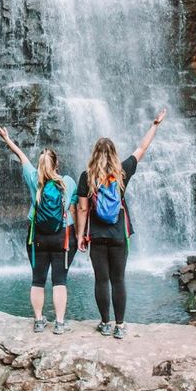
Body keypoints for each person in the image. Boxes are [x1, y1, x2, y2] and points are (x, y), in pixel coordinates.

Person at [76, 110, 166, 339]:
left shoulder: (87, 176)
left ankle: (105, 323)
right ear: (114, 153)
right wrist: (154, 125)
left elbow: (83, 208)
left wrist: (79, 236)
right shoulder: (123, 171)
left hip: (96, 235)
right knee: (118, 279)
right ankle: (120, 325)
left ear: (94, 154)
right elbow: (142, 148)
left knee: (101, 280)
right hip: (119, 234)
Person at [0, 125, 78, 335]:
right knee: (60, 280)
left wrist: (7, 138)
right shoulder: (67, 182)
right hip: (62, 237)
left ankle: (39, 321)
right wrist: (80, 235)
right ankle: (59, 323)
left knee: (38, 279)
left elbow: (21, 156)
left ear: (40, 164)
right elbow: (76, 208)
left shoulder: (34, 180)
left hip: (38, 237)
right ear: (57, 163)